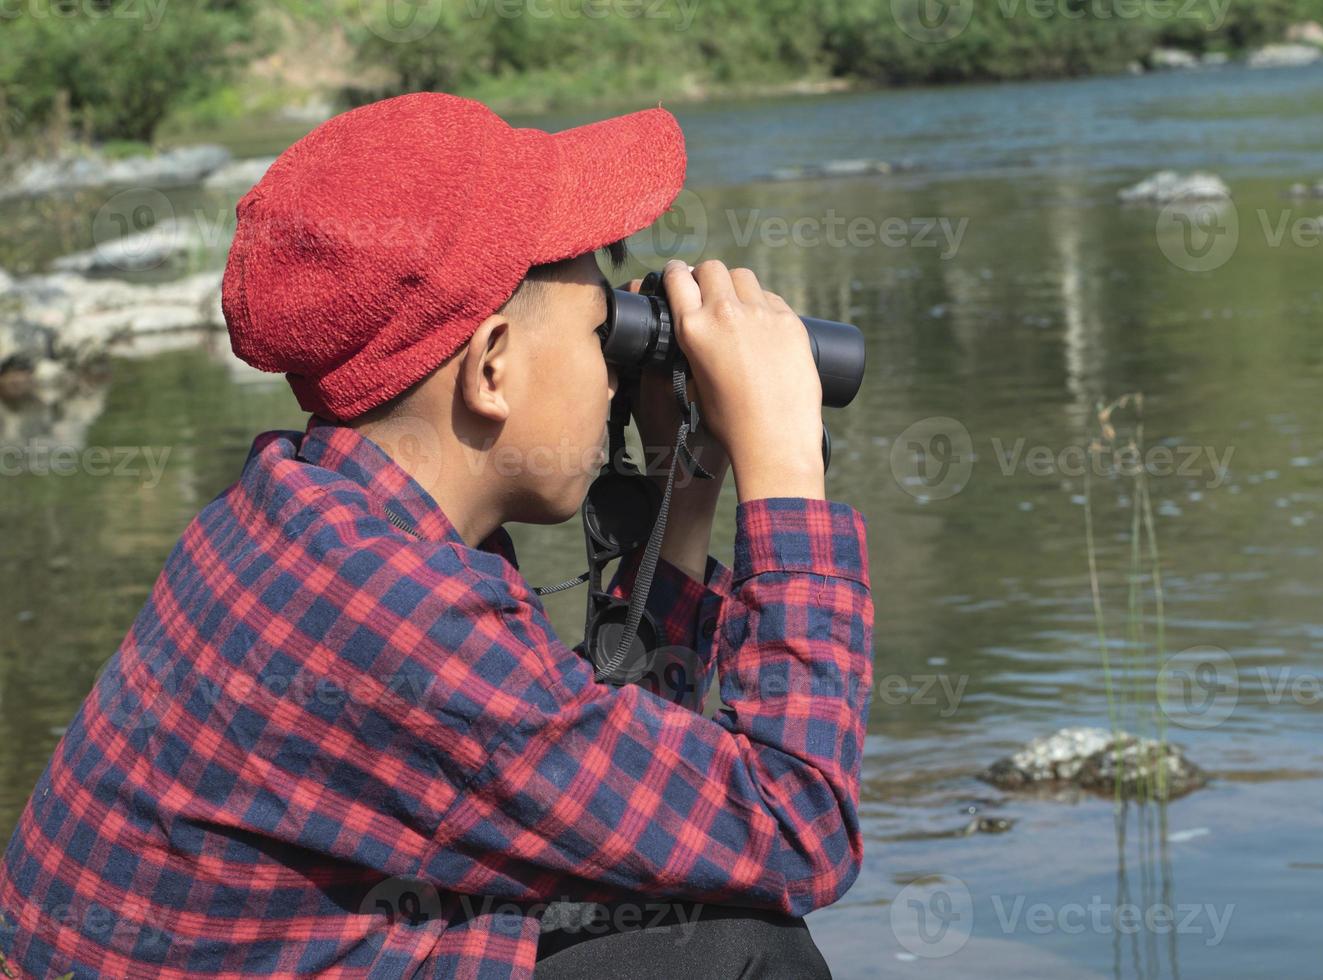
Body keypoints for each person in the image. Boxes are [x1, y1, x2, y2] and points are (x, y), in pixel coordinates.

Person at [0, 92, 874, 979]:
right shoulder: (396, 614)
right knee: (740, 952)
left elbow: (635, 811)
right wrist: (785, 461)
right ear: (492, 365)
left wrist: (679, 480)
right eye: (600, 328)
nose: (615, 375)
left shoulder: (310, 513)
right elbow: (793, 827)